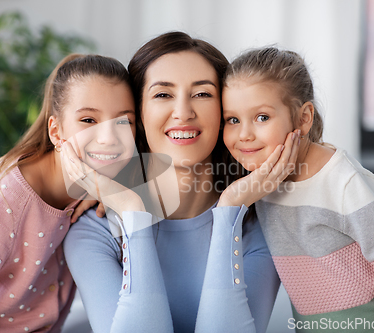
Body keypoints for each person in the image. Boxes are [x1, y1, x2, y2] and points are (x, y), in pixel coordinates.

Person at [63, 31, 300, 333]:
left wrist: (229, 210)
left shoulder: (259, 224)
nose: (183, 112)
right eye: (163, 94)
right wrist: (133, 213)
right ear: (138, 114)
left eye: (202, 94)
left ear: (225, 111)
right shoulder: (93, 231)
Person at [0, 53, 136, 332]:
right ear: (56, 132)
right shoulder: (9, 200)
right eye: (88, 120)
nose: (109, 137)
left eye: (124, 121)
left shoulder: (100, 185)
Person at [222, 46, 374, 332]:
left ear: (303, 118)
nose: (244, 134)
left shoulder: (345, 182)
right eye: (233, 120)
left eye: (262, 117)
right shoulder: (259, 182)